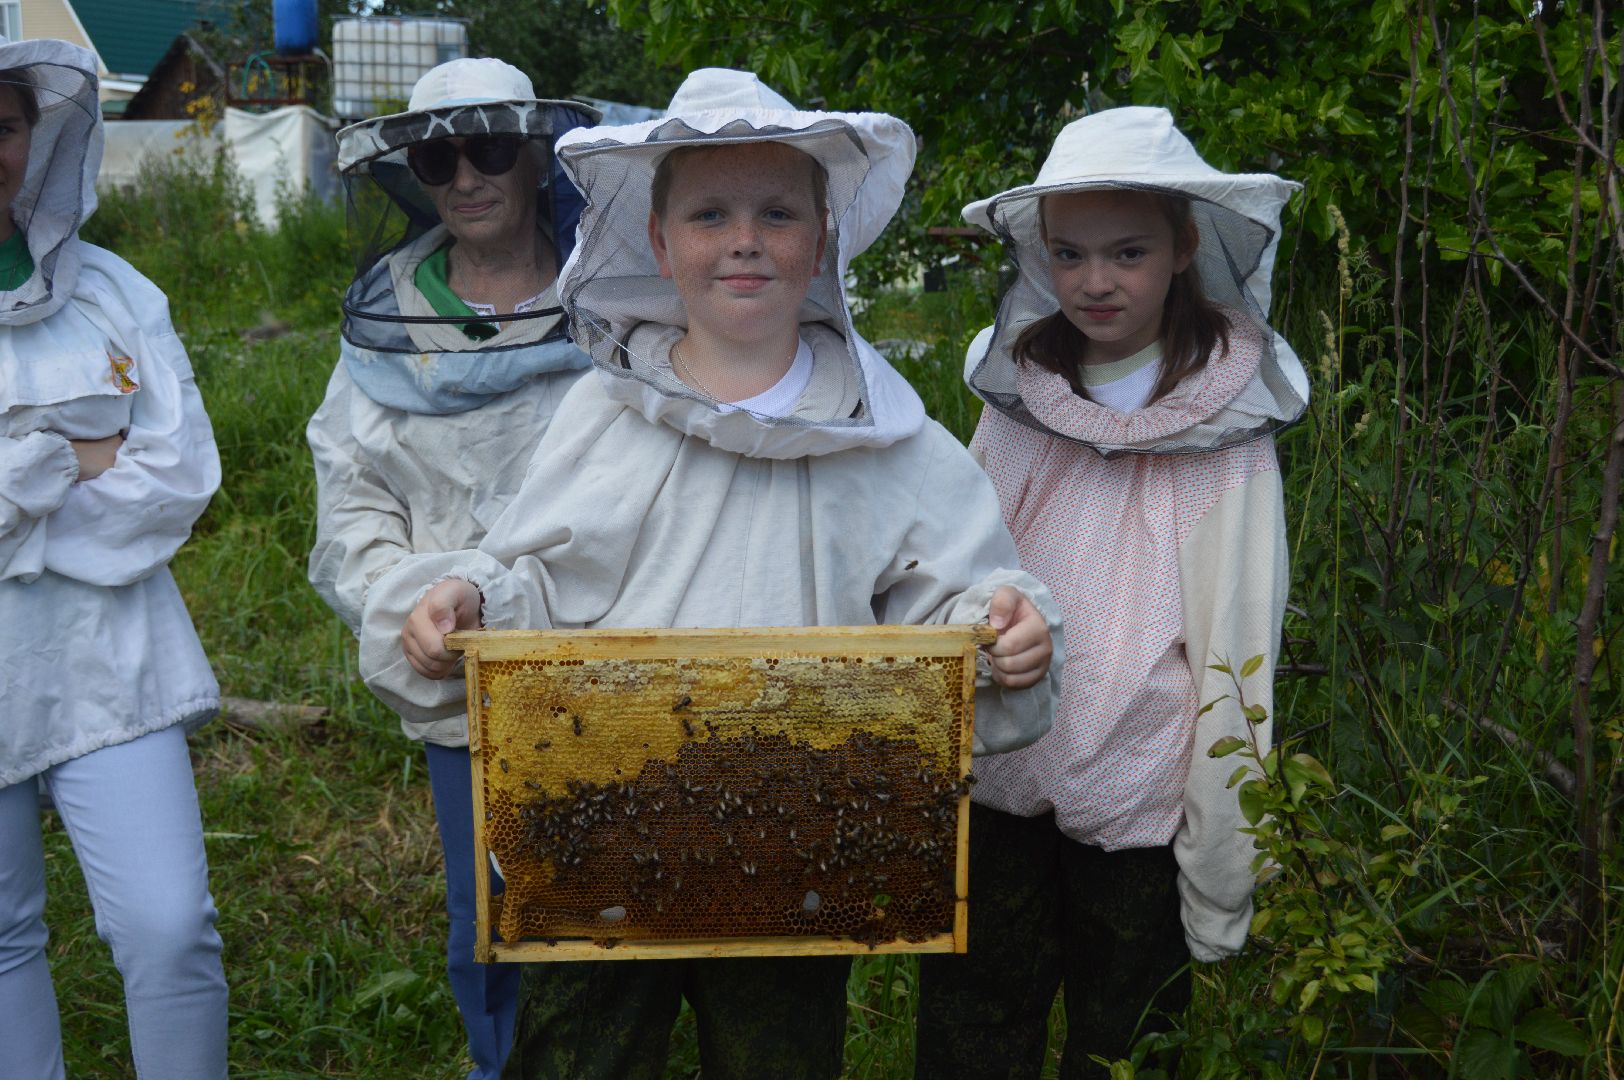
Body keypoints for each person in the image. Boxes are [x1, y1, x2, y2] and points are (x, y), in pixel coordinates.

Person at [359, 68, 1065, 1080]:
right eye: (709, 215)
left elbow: (956, 603)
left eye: (777, 213)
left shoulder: (891, 438)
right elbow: (534, 584)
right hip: (601, 831)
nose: (744, 239)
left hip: (797, 848)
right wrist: (468, 602)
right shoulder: (604, 414)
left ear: (822, 236)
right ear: (658, 242)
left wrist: (1006, 631)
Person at [915, 106, 1307, 1078]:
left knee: (1129, 1048)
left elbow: (1240, 652)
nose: (1096, 281)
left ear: (1183, 247)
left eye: (1128, 252)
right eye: (1071, 254)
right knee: (971, 1032)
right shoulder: (1021, 395)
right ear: (1041, 255)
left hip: (1142, 805)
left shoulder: (1228, 429)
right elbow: (955, 569)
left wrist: (1222, 865)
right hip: (998, 779)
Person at [306, 58, 598, 1080]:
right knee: (487, 912)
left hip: (604, 653)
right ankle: (498, 1064)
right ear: (413, 176)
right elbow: (350, 500)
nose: (467, 177)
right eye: (439, 159)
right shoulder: (382, 325)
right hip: (458, 674)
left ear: (536, 157)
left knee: (610, 894)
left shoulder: (614, 296)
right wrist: (409, 606)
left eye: (490, 149)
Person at [0, 39, 228, 1080]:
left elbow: (176, 476)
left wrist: (19, 489)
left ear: (36, 137)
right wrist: (76, 452)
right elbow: (117, 463)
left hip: (112, 656)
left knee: (170, 926)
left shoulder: (112, 292)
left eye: (4, 125)